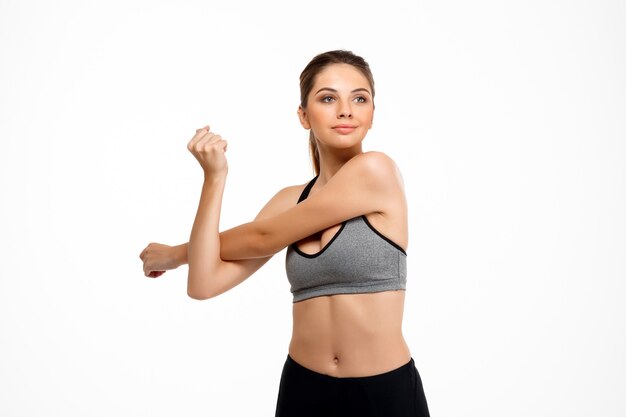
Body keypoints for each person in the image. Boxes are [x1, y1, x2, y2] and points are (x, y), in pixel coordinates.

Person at [139, 50, 430, 417]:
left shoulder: (377, 171)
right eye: (328, 98)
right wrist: (214, 178)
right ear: (304, 116)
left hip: (383, 394)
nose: (346, 110)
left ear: (373, 113)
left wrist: (174, 254)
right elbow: (204, 282)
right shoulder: (289, 201)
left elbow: (262, 238)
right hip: (303, 390)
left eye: (360, 98)